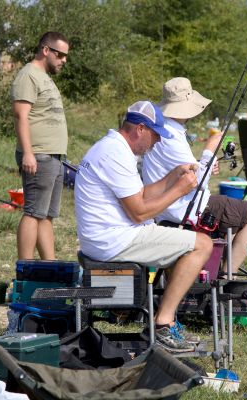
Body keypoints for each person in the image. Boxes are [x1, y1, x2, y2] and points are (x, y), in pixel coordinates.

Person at [75, 100, 213, 353]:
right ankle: (162, 324)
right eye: (155, 135)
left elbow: (140, 195)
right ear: (140, 129)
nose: (157, 142)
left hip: (106, 236)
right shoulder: (115, 153)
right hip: (113, 240)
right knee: (203, 244)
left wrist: (174, 175)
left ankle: (169, 320)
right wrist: (179, 190)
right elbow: (139, 212)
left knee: (183, 244)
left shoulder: (112, 147)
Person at [142, 77, 247, 274]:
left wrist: (206, 163)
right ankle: (227, 277)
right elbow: (197, 181)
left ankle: (216, 268)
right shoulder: (172, 137)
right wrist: (210, 149)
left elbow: (183, 169)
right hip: (186, 210)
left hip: (165, 209)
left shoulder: (162, 129)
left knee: (235, 212)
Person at [12, 32, 69, 260]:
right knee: (33, 213)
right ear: (46, 50)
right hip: (39, 155)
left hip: (54, 156)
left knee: (46, 216)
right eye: (60, 55)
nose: (64, 60)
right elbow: (20, 115)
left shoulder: (44, 77)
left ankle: (50, 267)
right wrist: (28, 153)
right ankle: (24, 269)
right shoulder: (28, 75)